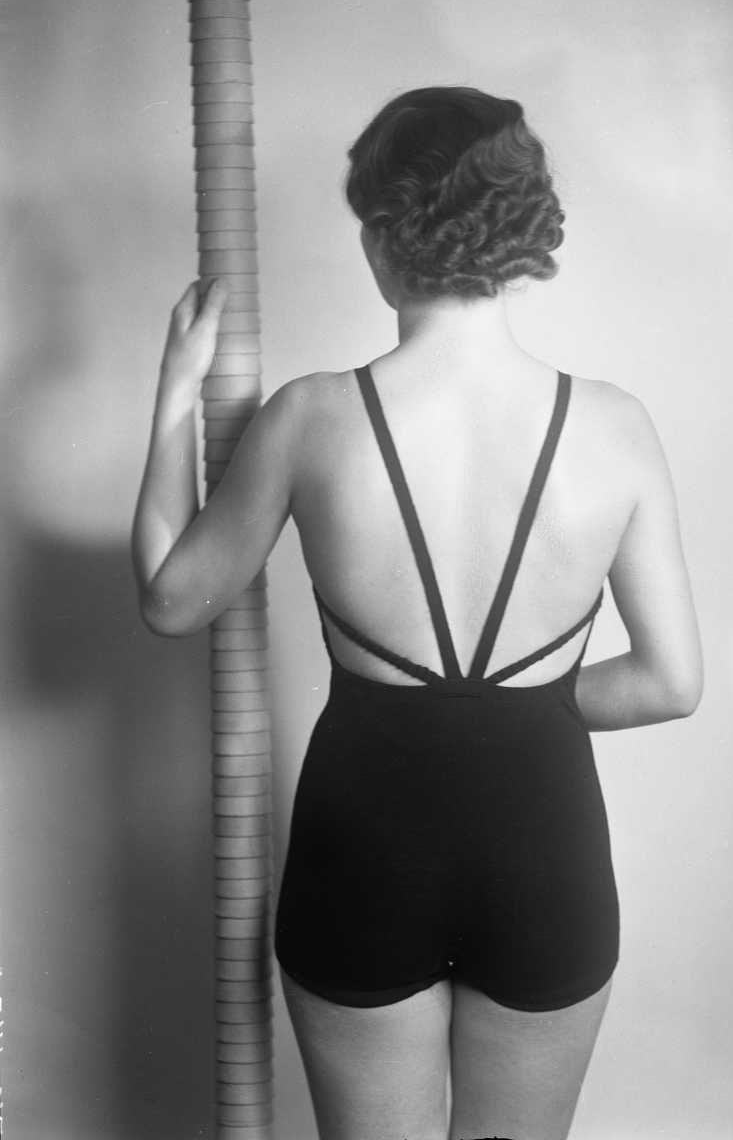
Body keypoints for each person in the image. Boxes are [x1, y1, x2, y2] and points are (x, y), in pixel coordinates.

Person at [132, 86, 702, 1140]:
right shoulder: (616, 427)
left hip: (363, 850)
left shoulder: (310, 416)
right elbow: (670, 683)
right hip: (546, 854)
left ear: (383, 236)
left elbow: (172, 598)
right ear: (520, 233)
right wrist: (527, 706)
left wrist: (176, 388)